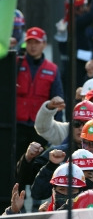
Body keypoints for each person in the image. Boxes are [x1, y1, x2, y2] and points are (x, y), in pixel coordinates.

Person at [16, 27, 63, 160]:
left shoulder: (52, 69)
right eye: (30, 42)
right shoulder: (16, 63)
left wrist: (56, 130)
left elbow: (58, 100)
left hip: (41, 128)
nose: (33, 46)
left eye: (36, 42)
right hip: (18, 126)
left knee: (37, 164)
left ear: (44, 44)